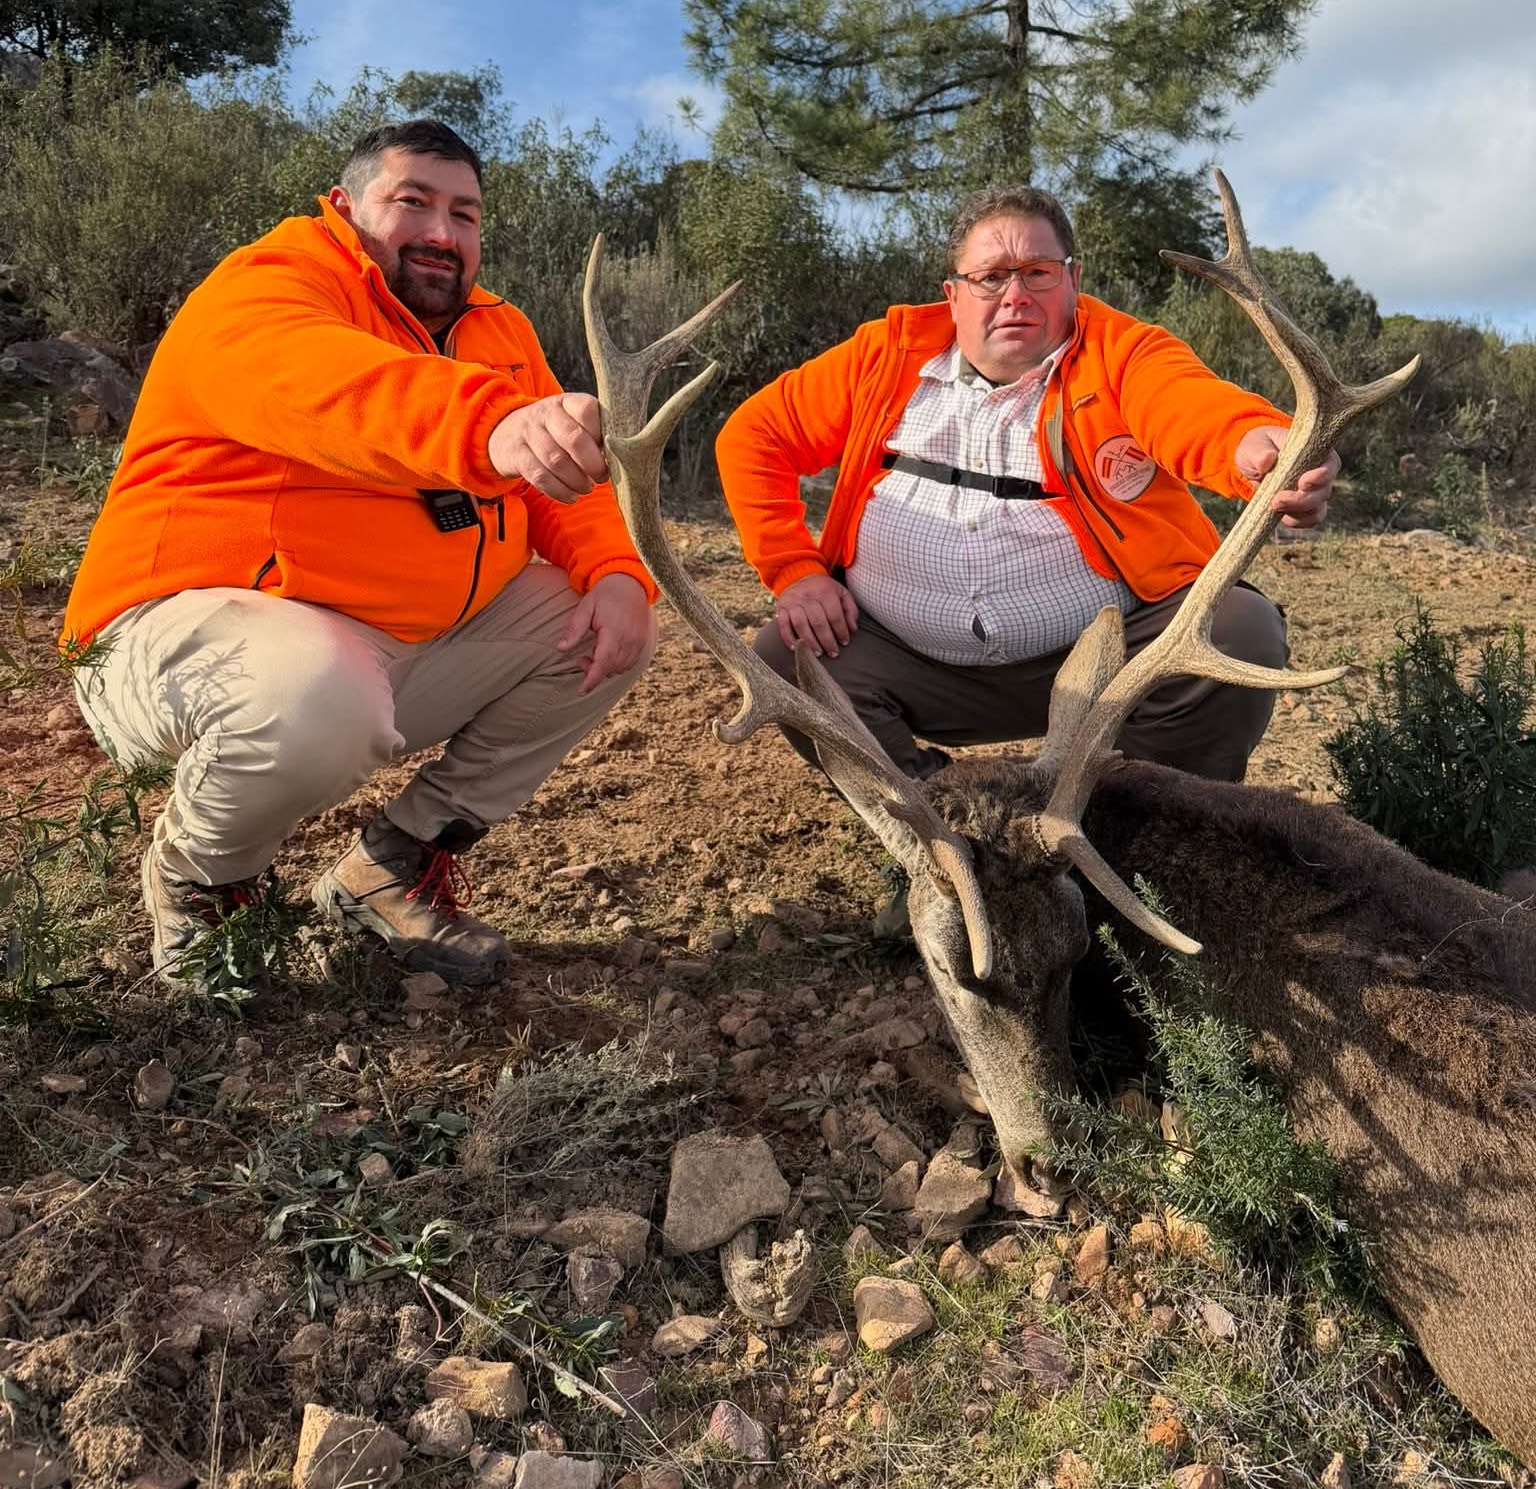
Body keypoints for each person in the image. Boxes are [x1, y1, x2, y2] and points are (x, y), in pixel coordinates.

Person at [65, 118, 657, 990]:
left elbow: (551, 487)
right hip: (182, 640)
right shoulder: (268, 284)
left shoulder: (500, 328)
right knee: (316, 694)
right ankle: (203, 885)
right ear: (344, 207)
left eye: (464, 214)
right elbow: (326, 384)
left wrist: (616, 571)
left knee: (606, 627)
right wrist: (491, 423)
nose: (442, 233)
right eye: (412, 202)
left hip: (383, 648)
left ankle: (387, 869)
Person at [716, 184, 1339, 785]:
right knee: (790, 656)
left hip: (1110, 663)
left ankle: (1136, 820)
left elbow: (1189, 406)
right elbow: (755, 435)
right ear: (953, 294)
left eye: (1038, 273)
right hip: (910, 662)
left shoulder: (1123, 353)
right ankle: (934, 822)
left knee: (1237, 630)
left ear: (1072, 280)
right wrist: (796, 571)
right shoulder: (882, 358)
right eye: (991, 277)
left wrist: (1257, 446)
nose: (1015, 295)